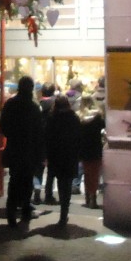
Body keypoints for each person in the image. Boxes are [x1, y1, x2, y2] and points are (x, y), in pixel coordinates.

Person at [0, 76, 43, 228]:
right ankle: (25, 209)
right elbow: (39, 132)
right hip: (29, 150)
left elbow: (3, 125)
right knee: (27, 181)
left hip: (15, 149)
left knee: (14, 181)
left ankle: (11, 212)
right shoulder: (33, 107)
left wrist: (12, 135)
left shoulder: (11, 104)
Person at [44, 95, 81, 227]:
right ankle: (64, 211)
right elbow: (78, 137)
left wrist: (47, 155)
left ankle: (63, 213)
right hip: (70, 156)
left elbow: (47, 138)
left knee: (61, 183)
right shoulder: (74, 118)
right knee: (68, 183)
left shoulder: (52, 118)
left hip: (57, 156)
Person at [78, 95, 105, 210]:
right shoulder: (98, 117)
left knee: (86, 173)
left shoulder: (79, 117)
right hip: (96, 147)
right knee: (95, 174)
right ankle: (93, 197)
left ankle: (87, 197)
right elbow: (103, 128)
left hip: (84, 148)